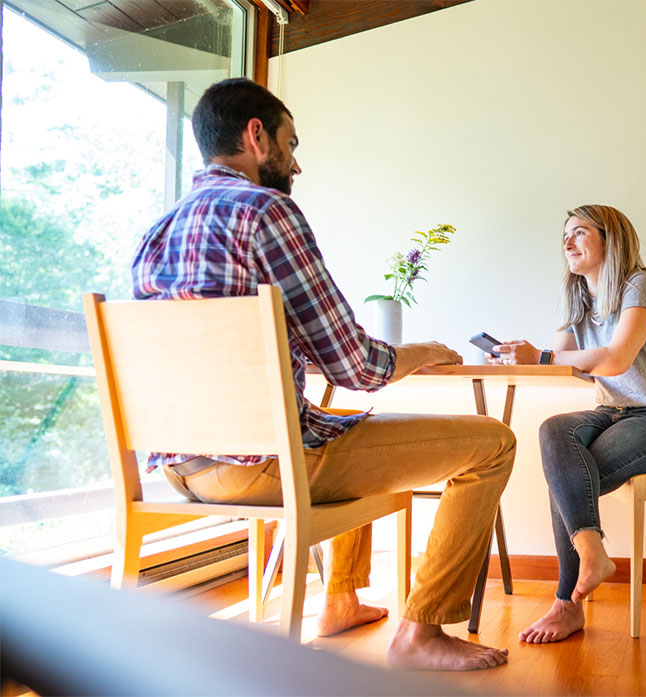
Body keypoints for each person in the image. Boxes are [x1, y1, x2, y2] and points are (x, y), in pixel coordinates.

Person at [130, 78, 513, 671]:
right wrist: (420, 352)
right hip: (259, 468)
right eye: (290, 143)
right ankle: (422, 633)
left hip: (181, 470)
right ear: (256, 137)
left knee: (340, 421)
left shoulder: (154, 233)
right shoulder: (265, 211)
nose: (296, 163)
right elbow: (358, 366)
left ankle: (339, 602)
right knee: (493, 443)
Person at [491, 205, 646, 643]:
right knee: (554, 433)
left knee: (568, 476)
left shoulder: (641, 285)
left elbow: (616, 359)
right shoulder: (582, 298)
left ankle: (567, 603)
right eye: (565, 235)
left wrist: (542, 356)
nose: (568, 242)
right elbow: (559, 362)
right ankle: (591, 557)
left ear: (610, 239)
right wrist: (516, 357)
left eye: (579, 232)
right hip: (612, 413)